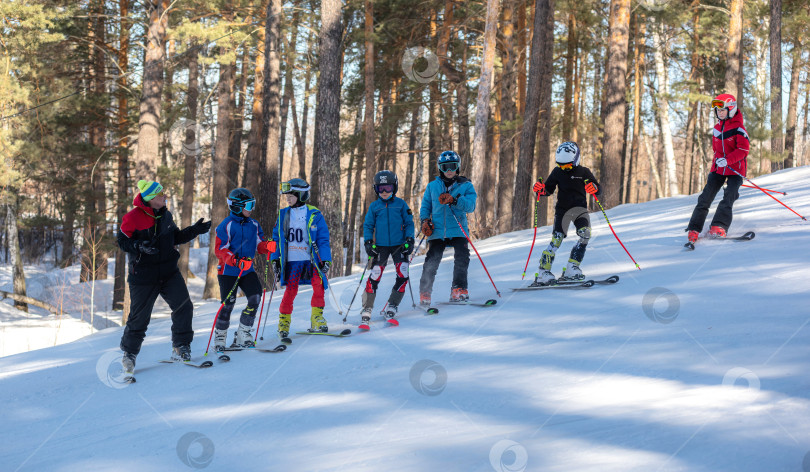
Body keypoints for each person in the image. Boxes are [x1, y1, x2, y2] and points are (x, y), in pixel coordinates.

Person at [118, 180, 211, 372]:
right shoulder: (132, 217)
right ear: (152, 199)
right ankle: (129, 355)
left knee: (184, 306)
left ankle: (181, 346)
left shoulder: (166, 215)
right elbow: (122, 242)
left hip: (169, 273)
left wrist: (194, 230)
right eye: (161, 195)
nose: (164, 197)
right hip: (143, 276)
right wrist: (138, 246)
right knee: (139, 317)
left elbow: (175, 237)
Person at [212, 188, 277, 352]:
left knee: (255, 298)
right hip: (228, 272)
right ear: (237, 206)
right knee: (228, 304)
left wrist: (266, 246)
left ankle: (243, 334)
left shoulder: (254, 225)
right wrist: (235, 260)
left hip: (247, 271)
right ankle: (220, 338)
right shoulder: (225, 225)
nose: (252, 208)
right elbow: (220, 249)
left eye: (253, 204)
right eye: (249, 205)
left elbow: (259, 244)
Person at [270, 178, 332, 341]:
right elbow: (275, 239)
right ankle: (283, 323)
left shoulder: (314, 214)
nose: (287, 198)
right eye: (286, 196)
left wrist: (325, 259)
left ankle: (317, 319)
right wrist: (275, 259)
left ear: (301, 194)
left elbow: (323, 239)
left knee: (318, 287)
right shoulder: (283, 214)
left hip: (311, 260)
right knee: (291, 291)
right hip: (292, 262)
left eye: (291, 195)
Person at [532, 141, 601, 285]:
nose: (564, 168)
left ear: (576, 160)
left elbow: (597, 188)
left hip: (580, 210)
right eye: (561, 165)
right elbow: (548, 189)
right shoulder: (557, 172)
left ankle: (572, 267)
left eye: (568, 165)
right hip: (563, 210)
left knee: (585, 234)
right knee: (556, 239)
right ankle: (543, 272)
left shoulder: (583, 172)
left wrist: (594, 187)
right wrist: (540, 190)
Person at [685, 93, 749, 243]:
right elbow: (716, 151)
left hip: (735, 169)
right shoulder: (716, 129)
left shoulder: (739, 128)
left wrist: (728, 160)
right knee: (705, 198)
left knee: (729, 196)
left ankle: (719, 226)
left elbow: (743, 150)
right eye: (717, 111)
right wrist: (717, 164)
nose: (719, 113)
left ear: (731, 109)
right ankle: (694, 228)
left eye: (722, 110)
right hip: (718, 169)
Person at [418, 150, 477, 305]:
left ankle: (459, 289)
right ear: (440, 168)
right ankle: (425, 291)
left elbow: (471, 206)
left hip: (458, 229)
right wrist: (425, 221)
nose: (449, 170)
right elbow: (425, 206)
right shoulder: (432, 186)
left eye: (452, 166)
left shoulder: (466, 186)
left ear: (458, 167)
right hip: (437, 230)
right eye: (445, 167)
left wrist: (455, 200)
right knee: (432, 259)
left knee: (462, 257)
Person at [361, 170, 416, 322]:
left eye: (388, 188)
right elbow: (368, 225)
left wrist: (409, 240)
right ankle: (367, 307)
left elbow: (409, 223)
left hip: (400, 245)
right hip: (381, 246)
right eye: (380, 189)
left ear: (395, 188)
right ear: (376, 189)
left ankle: (393, 304)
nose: (384, 192)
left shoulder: (401, 204)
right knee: (375, 275)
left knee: (403, 273)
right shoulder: (374, 206)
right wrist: (368, 242)